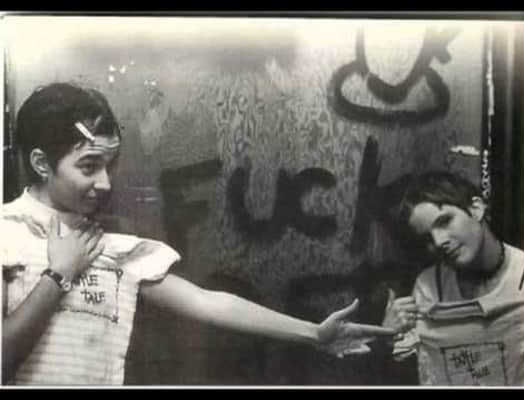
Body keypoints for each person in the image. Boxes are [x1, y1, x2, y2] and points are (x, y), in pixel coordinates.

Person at [1, 82, 395, 385]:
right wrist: (58, 275)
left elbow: (207, 303)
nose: (105, 183)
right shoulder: (7, 233)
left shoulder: (111, 246)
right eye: (88, 166)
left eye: (109, 165)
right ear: (41, 163)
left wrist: (314, 334)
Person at [381, 171, 524, 386]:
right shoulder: (429, 286)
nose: (438, 242)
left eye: (444, 222)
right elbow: (410, 367)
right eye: (427, 238)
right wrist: (389, 335)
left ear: (476, 209)